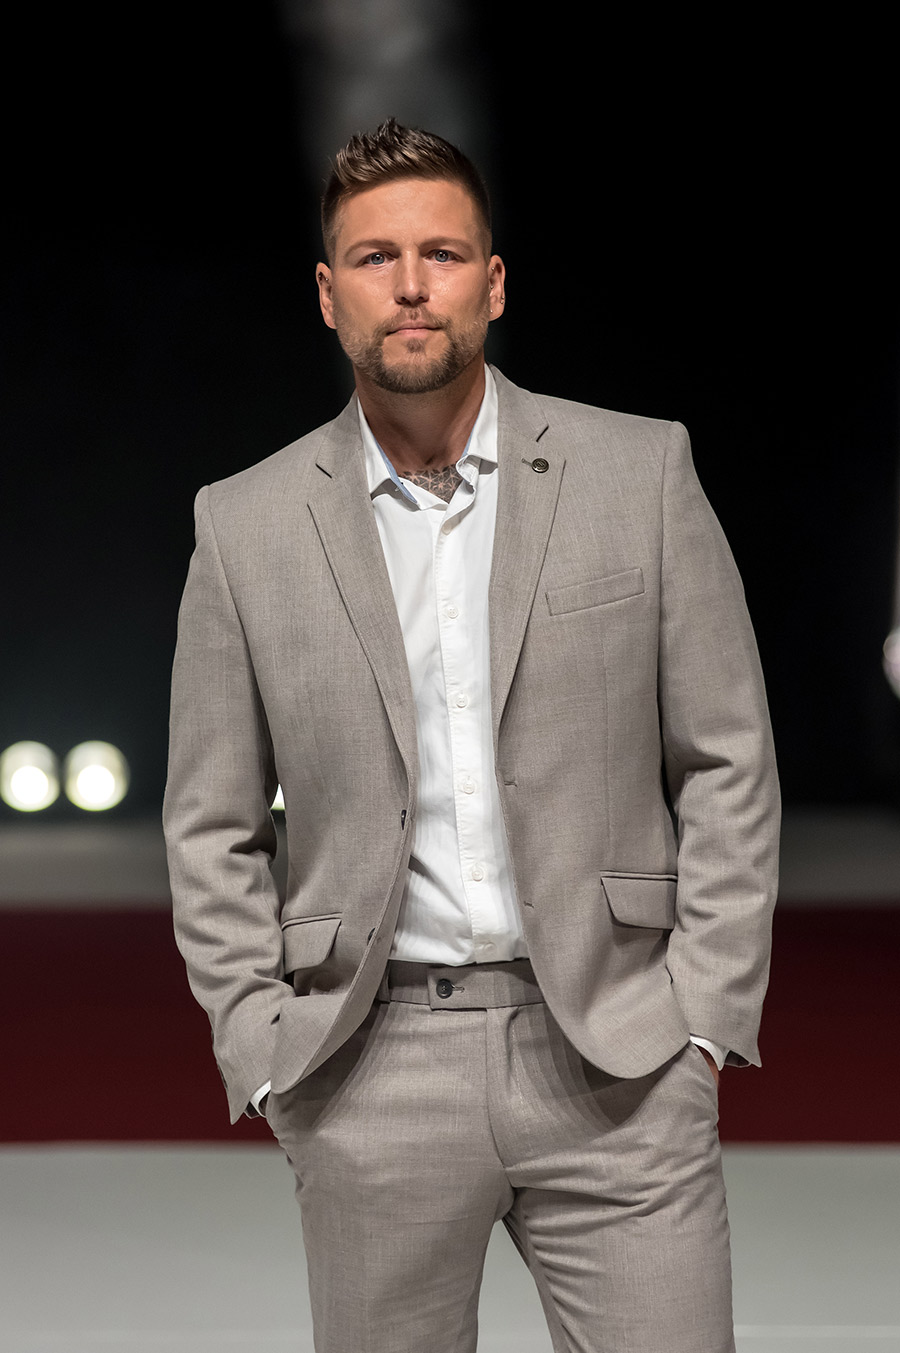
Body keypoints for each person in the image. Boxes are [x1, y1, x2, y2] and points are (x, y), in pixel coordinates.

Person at [163, 118, 779, 1353]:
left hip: (620, 1057)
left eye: (440, 254)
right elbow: (210, 820)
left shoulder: (640, 472)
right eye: (375, 258)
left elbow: (728, 758)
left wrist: (702, 1017)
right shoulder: (245, 525)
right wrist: (263, 1046)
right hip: (368, 1065)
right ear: (328, 295)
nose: (410, 285)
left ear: (492, 283)